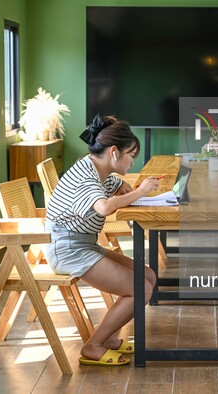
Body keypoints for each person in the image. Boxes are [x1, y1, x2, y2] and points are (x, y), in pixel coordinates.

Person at [43, 114, 158, 366]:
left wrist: (124, 188)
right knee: (141, 289)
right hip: (68, 249)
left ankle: (108, 339)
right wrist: (139, 192)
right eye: (132, 156)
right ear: (114, 153)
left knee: (148, 276)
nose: (133, 162)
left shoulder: (97, 167)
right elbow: (104, 207)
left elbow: (111, 182)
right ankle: (93, 345)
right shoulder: (86, 176)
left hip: (83, 243)